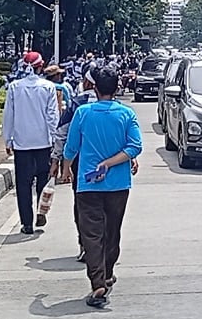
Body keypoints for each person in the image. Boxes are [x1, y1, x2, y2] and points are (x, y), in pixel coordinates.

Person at [63, 66, 142, 308]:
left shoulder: (83, 113)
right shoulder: (126, 114)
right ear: (117, 88)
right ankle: (106, 274)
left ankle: (98, 282)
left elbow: (71, 146)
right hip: (118, 185)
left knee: (91, 234)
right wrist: (115, 162)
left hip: (87, 184)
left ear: (94, 88)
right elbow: (134, 146)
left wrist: (66, 168)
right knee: (112, 232)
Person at [2, 51, 59, 234]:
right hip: (43, 142)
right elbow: (52, 116)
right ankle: (40, 211)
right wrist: (55, 139)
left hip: (22, 143)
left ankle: (27, 223)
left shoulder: (14, 87)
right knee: (43, 180)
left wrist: (8, 139)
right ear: (40, 66)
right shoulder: (48, 87)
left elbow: (8, 115)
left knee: (24, 184)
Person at [52, 66, 100, 262]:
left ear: (88, 83)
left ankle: (86, 245)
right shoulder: (118, 107)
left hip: (81, 164)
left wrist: (58, 161)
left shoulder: (77, 104)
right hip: (112, 166)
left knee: (83, 206)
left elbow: (62, 134)